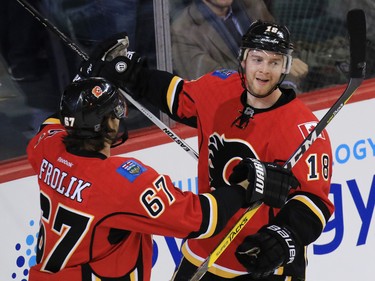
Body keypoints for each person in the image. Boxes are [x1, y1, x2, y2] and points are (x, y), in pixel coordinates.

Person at [86, 20, 335, 280]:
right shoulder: (218, 88)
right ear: (243, 59)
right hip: (205, 247)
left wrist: (283, 237)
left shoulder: (303, 129)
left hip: (262, 260)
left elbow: (314, 202)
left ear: (285, 66)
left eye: (274, 62)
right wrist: (132, 75)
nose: (264, 70)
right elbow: (176, 96)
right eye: (257, 59)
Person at [26, 74, 298, 280]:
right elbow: (203, 218)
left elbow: (52, 123)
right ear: (110, 123)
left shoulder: (46, 148)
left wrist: (86, 78)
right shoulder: (121, 181)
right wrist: (247, 187)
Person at [171, 0, 308, 91]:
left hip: (280, 94)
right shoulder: (183, 30)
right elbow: (216, 84)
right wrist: (279, 68)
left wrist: (288, 66)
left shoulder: (252, 5)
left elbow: (281, 47)